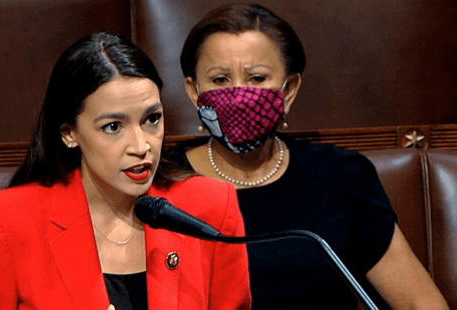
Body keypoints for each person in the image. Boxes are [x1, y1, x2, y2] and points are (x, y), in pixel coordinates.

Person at [173, 4, 449, 309]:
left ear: (288, 89)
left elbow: (418, 302)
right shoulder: (163, 184)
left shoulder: (341, 176)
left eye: (257, 79)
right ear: (194, 91)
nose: (239, 96)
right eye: (220, 80)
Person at [0, 32, 250, 310]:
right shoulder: (7, 221)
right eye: (113, 127)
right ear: (69, 133)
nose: (140, 146)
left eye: (152, 119)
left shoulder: (209, 207)